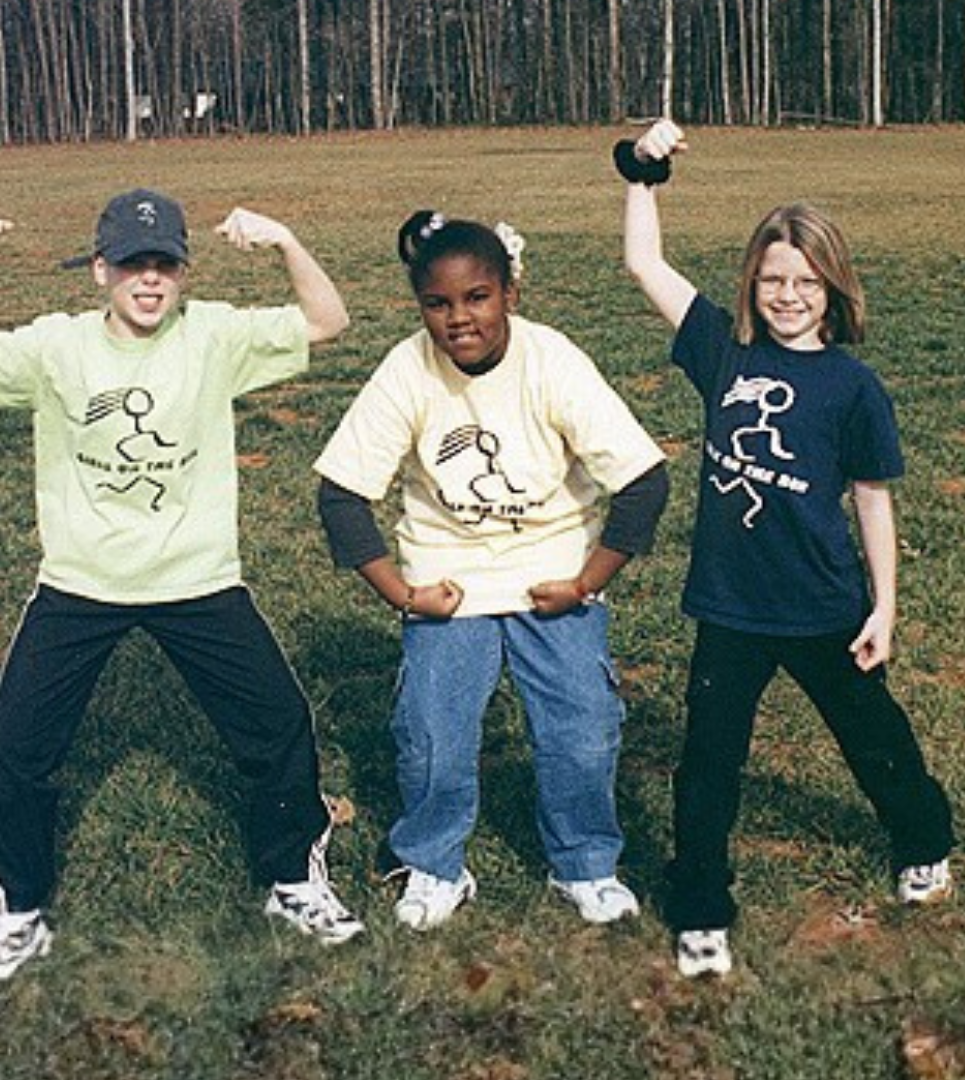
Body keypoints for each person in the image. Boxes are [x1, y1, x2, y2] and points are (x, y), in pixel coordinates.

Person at [0, 189, 365, 980]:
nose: (148, 282)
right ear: (99, 271)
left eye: (163, 266)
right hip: (82, 581)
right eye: (131, 266)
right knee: (17, 749)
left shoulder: (214, 334)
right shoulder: (58, 347)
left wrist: (287, 240)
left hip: (197, 578)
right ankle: (15, 911)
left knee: (279, 724)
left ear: (183, 273)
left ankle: (292, 883)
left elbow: (327, 322)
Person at [616, 120, 955, 978]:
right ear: (752, 284)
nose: (788, 294)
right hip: (730, 610)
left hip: (824, 606)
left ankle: (924, 840)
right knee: (708, 764)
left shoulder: (853, 386)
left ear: (832, 287)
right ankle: (699, 907)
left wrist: (884, 605)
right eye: (772, 278)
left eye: (805, 280)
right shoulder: (724, 355)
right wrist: (641, 174)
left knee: (875, 738)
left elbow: (873, 502)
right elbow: (645, 268)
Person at [313, 210, 668, 931]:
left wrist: (586, 584)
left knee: (582, 727)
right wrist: (404, 594)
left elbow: (644, 481)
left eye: (477, 297)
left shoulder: (552, 359)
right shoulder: (408, 366)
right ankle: (436, 863)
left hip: (556, 576)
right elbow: (341, 495)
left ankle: (586, 862)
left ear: (510, 291)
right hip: (450, 584)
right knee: (433, 733)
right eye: (437, 304)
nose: (458, 319)